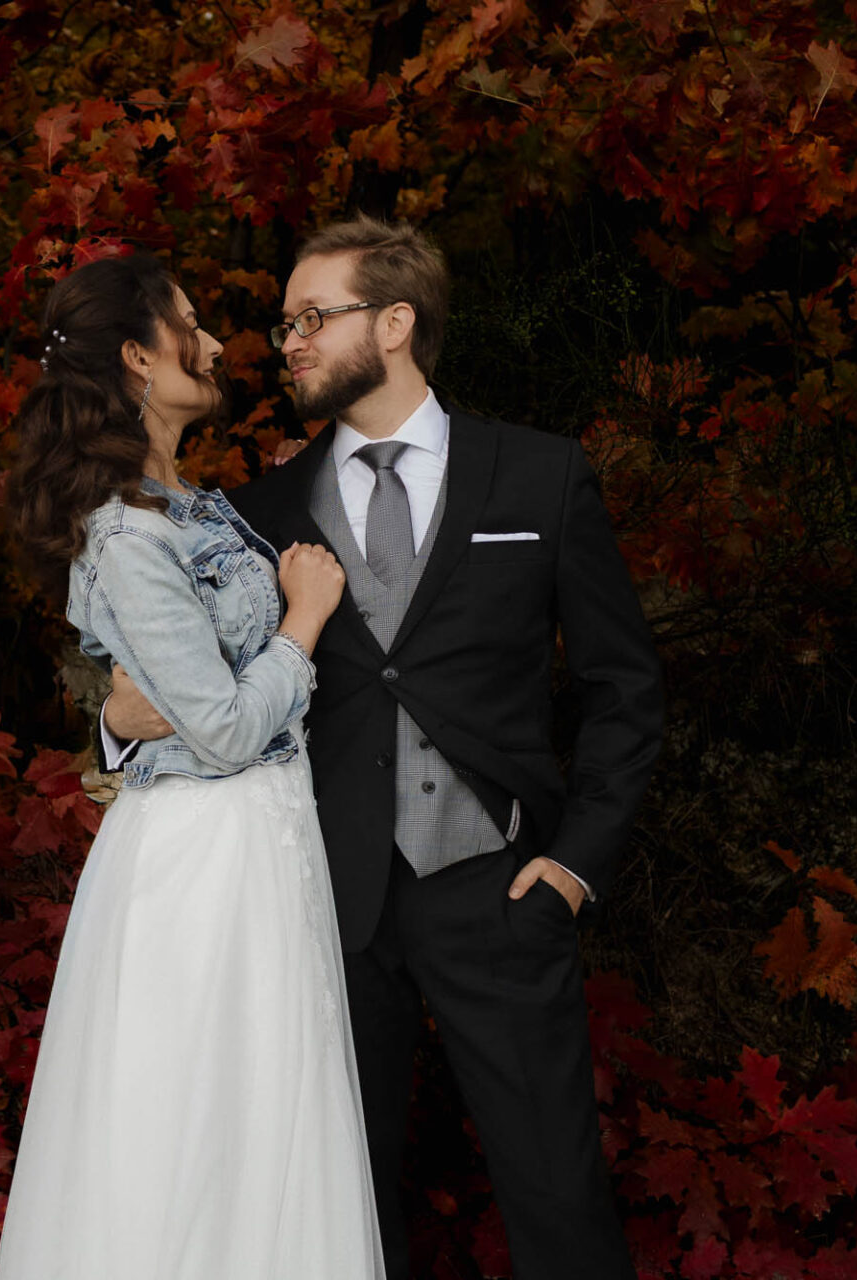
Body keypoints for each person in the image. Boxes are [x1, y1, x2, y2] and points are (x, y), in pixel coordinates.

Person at [103, 216, 665, 1280]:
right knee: (334, 1211)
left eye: (313, 318)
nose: (290, 343)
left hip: (501, 889)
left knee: (559, 1198)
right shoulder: (256, 512)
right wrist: (115, 721)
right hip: (320, 908)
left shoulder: (539, 476)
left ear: (396, 322)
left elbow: (624, 689)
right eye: (286, 324)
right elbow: (188, 688)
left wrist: (574, 864)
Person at [0, 252, 385, 1279]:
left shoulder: (195, 506)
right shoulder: (127, 533)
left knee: (267, 1120)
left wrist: (142, 712)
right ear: (137, 355)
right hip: (203, 858)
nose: (214, 344)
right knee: (197, 1123)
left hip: (264, 842)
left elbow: (171, 693)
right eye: (190, 325)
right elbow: (220, 729)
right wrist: (304, 620)